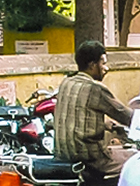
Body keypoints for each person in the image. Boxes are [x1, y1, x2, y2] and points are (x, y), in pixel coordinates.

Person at [54, 40, 133, 177]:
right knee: (136, 159)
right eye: (103, 63)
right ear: (92, 65)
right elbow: (125, 115)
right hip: (92, 159)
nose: (106, 68)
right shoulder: (94, 89)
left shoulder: (66, 82)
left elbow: (76, 117)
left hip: (63, 154)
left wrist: (105, 125)